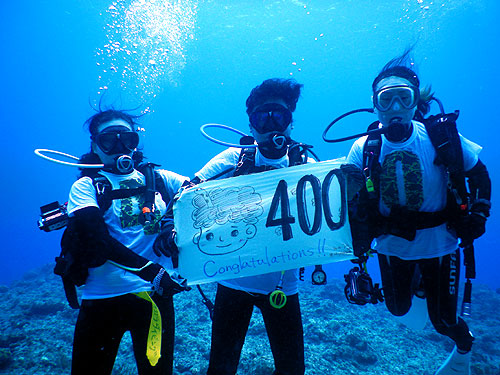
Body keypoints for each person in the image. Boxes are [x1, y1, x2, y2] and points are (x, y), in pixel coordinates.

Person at [346, 49, 491, 375]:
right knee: (397, 309)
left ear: (415, 102)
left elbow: (478, 173)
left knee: (444, 322)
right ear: (375, 105)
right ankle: (421, 286)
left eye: (403, 98)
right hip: (390, 247)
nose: (395, 108)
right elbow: (348, 197)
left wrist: (479, 214)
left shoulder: (441, 136)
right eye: (387, 100)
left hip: (441, 245)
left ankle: (464, 347)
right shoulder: (364, 148)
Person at [194, 78, 308, 375]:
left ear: (290, 124)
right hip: (234, 282)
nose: (271, 126)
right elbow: (189, 193)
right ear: (251, 126)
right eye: (262, 117)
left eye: (279, 117)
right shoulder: (235, 158)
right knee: (221, 368)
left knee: (292, 370)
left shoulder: (305, 163)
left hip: (283, 286)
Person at [66, 109, 189, 375]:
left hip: (154, 299)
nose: (120, 147)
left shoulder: (159, 179)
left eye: (128, 140)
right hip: (102, 299)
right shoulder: (86, 187)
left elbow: (202, 194)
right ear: (94, 146)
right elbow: (97, 240)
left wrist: (170, 223)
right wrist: (152, 271)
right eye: (109, 140)